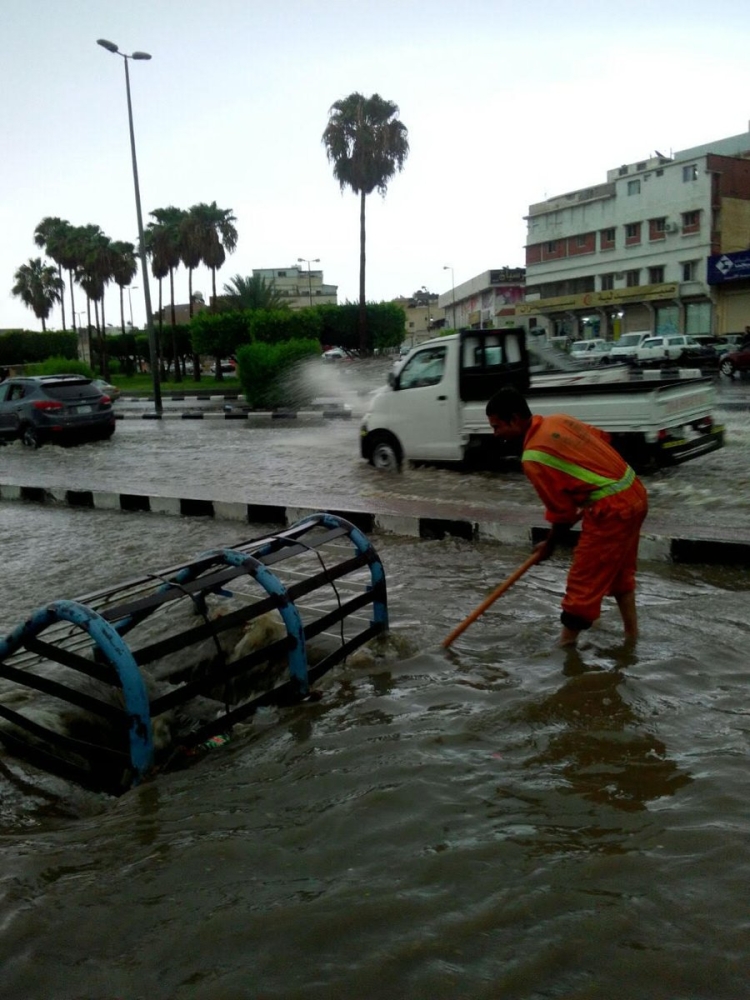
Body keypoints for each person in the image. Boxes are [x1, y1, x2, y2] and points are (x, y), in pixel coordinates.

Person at [485, 386, 648, 647]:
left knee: (581, 586)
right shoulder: (559, 420)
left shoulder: (533, 456)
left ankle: (565, 655)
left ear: (515, 420)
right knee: (620, 574)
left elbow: (562, 514)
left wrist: (549, 545)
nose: (496, 435)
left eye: (497, 427)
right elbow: (602, 441)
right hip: (635, 494)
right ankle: (632, 637)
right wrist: (589, 493)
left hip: (612, 511)